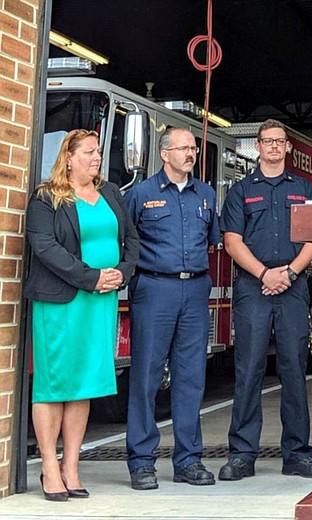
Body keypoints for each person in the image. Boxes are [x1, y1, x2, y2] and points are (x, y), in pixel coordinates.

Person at [24, 129, 139, 500]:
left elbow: (132, 240)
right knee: (54, 384)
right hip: (61, 302)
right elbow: (44, 247)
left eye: (99, 152)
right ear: (69, 158)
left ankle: (71, 466)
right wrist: (91, 278)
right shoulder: (46, 198)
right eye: (89, 152)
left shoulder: (110, 193)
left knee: (85, 383)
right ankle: (48, 467)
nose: (97, 158)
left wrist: (122, 271)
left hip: (101, 302)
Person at [218, 119, 312, 480]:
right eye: (268, 142)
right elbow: (233, 241)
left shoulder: (305, 189)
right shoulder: (240, 191)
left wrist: (291, 273)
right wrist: (265, 274)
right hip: (254, 288)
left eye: (280, 142)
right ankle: (242, 455)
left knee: (294, 370)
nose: (275, 147)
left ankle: (297, 454)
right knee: (248, 370)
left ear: (288, 148)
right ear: (259, 147)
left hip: (294, 288)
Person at [124, 127, 220, 490]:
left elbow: (212, 242)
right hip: (154, 288)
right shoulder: (140, 194)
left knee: (191, 376)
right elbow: (127, 242)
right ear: (164, 154)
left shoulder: (206, 195)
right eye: (183, 148)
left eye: (193, 148)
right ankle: (142, 462)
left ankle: (189, 460)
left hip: (195, 289)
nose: (191, 153)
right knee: (146, 376)